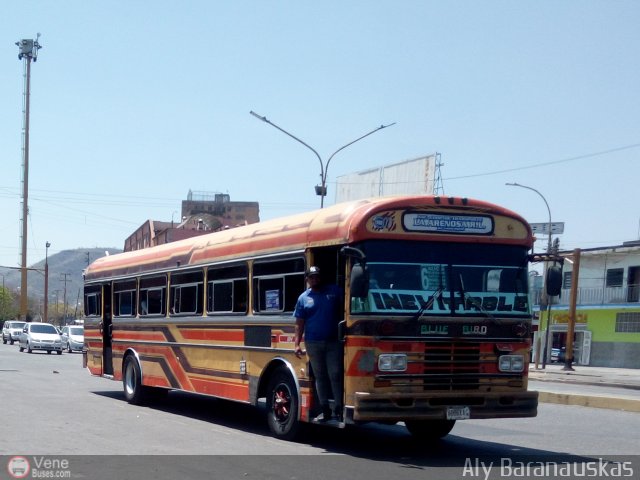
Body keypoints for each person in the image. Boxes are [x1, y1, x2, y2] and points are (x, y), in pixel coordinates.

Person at [293, 266, 344, 423]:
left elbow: (345, 309)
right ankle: (325, 409)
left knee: (335, 375)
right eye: (311, 277)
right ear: (307, 279)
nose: (314, 279)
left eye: (317, 277)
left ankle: (339, 409)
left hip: (333, 341)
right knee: (320, 376)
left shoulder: (334, 291)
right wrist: (297, 344)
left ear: (321, 278)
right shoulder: (303, 298)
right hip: (313, 343)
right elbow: (299, 323)